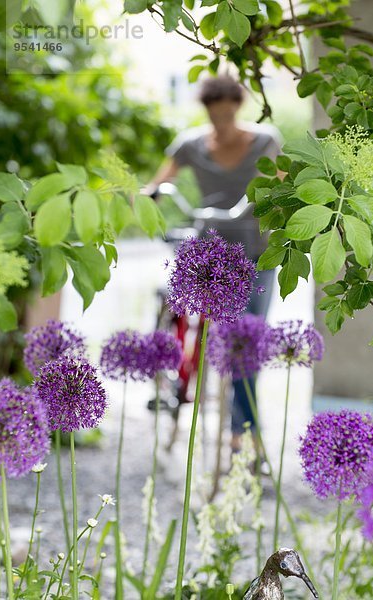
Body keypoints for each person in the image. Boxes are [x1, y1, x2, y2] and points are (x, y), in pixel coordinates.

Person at [145, 74, 282, 457]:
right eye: (214, 112)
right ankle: (179, 380)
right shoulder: (190, 144)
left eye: (228, 111)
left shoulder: (265, 140)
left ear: (238, 107)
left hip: (255, 251)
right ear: (206, 110)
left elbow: (285, 183)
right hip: (209, 253)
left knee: (247, 340)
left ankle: (244, 431)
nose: (221, 119)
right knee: (212, 329)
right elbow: (159, 182)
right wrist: (148, 197)